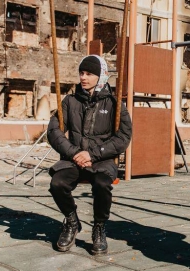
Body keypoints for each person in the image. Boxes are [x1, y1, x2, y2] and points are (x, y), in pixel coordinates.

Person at [47, 55, 132, 255]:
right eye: (81, 73)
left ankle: (99, 227)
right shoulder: (69, 101)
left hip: (101, 161)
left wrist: (93, 154)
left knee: (102, 185)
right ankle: (71, 221)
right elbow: (54, 131)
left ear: (101, 75)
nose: (83, 77)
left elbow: (124, 136)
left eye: (89, 74)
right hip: (73, 160)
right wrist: (75, 152)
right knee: (57, 184)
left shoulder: (114, 103)